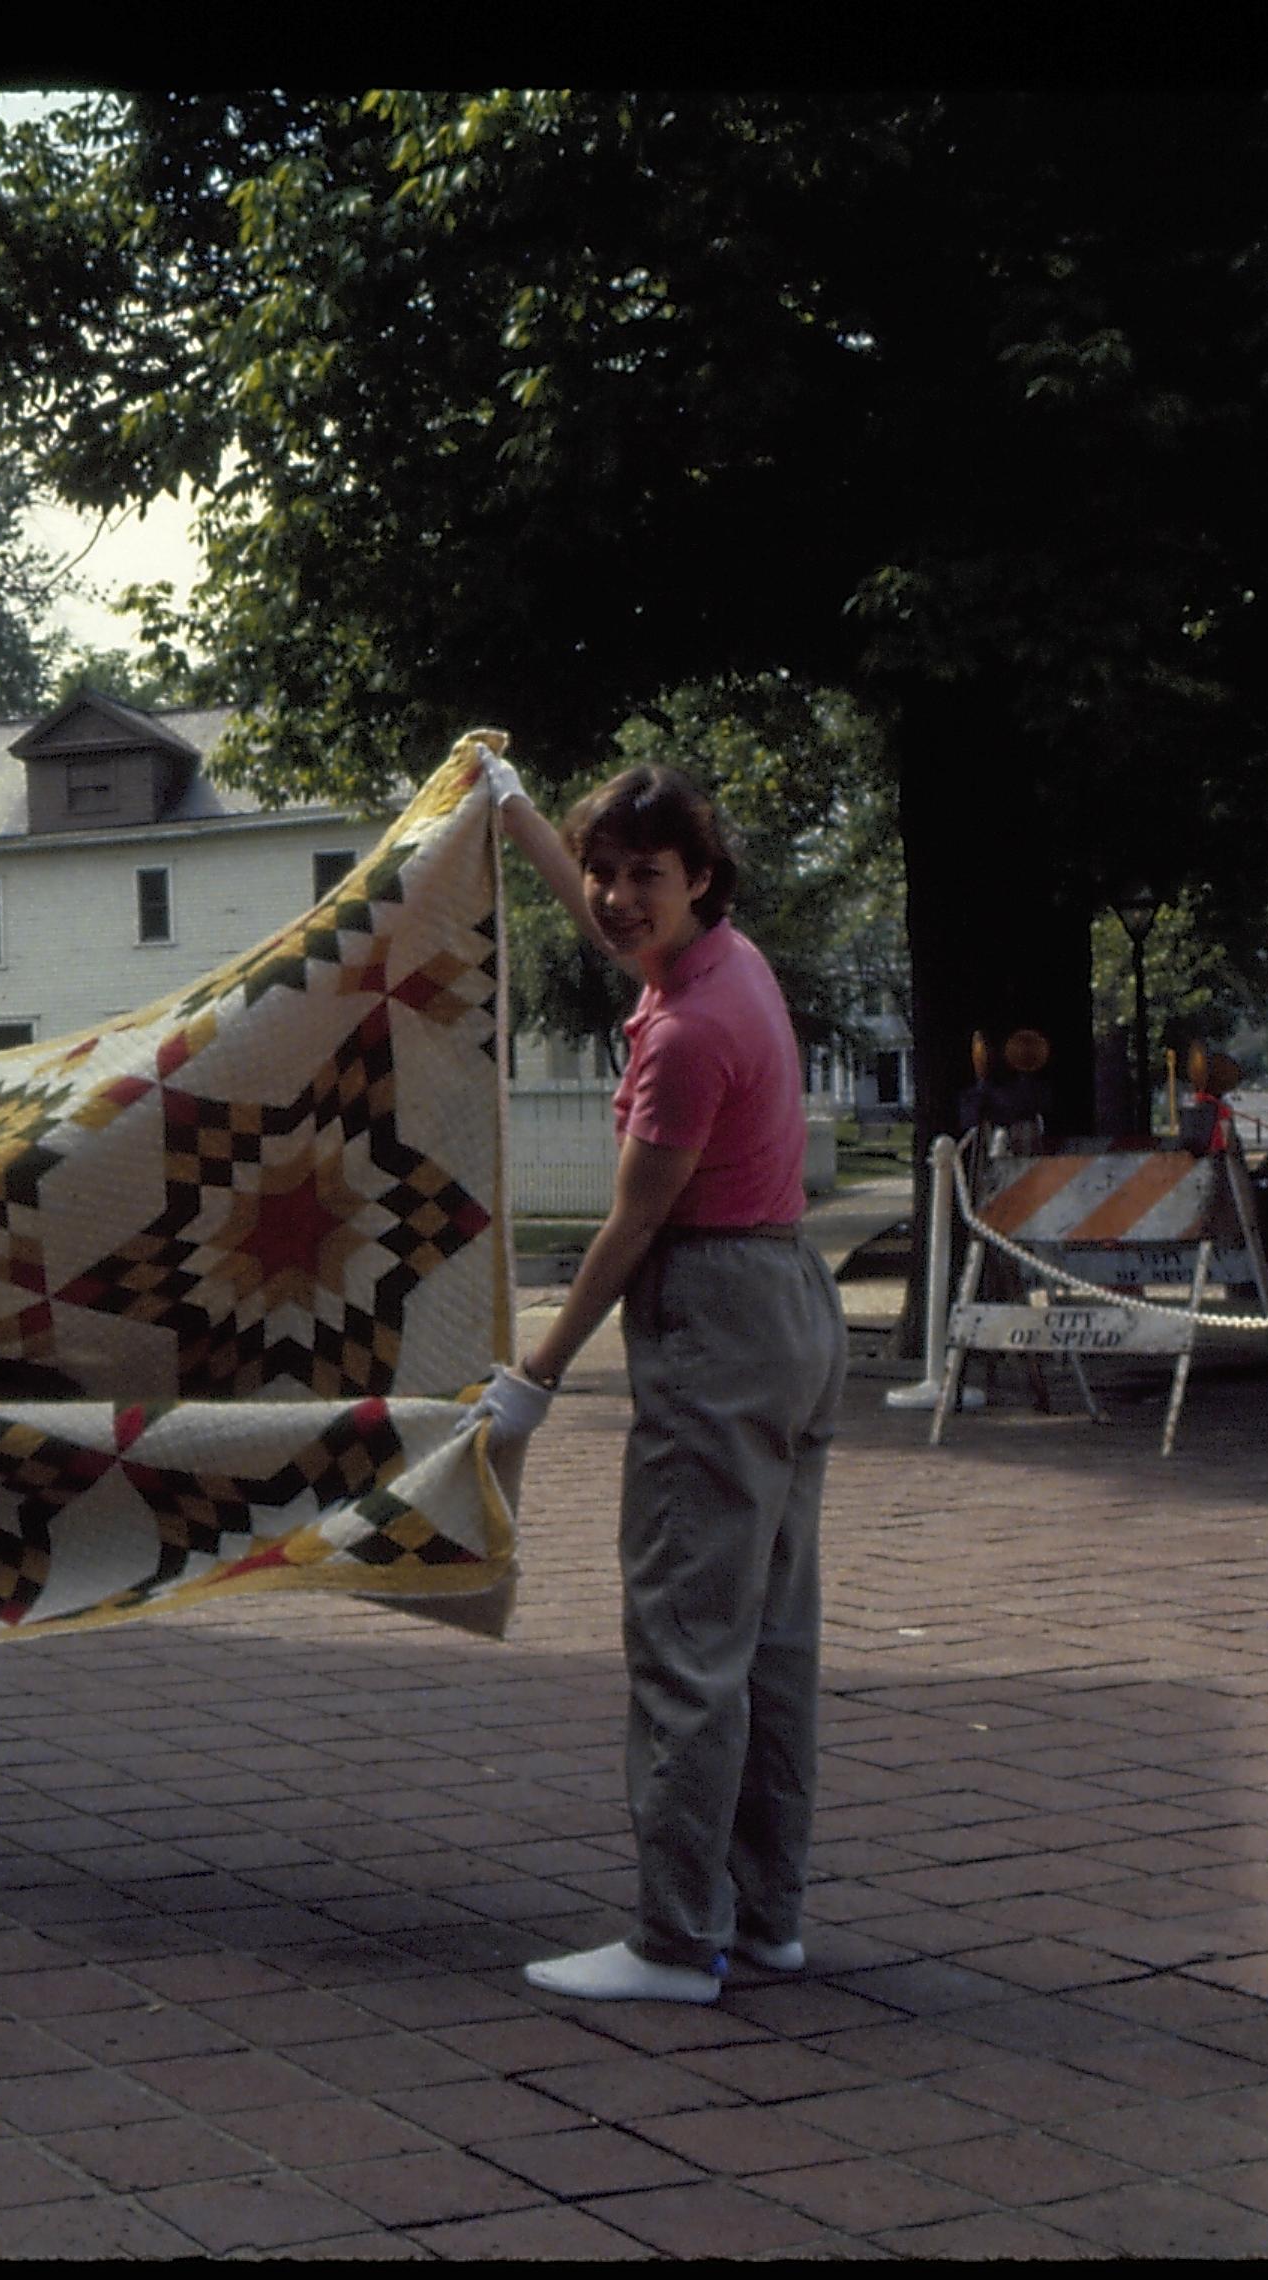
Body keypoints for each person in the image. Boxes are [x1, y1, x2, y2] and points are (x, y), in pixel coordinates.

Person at [453, 736, 846, 2005]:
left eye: (645, 875)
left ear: (703, 878)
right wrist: (519, 819)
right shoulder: (726, 966)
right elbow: (617, 937)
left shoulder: (688, 1033)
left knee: (687, 1636)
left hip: (717, 1313)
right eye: (602, 870)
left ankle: (677, 1942)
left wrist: (540, 1370)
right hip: (791, 1304)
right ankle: (765, 1917)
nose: (617, 897)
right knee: (771, 1631)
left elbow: (630, 1226)